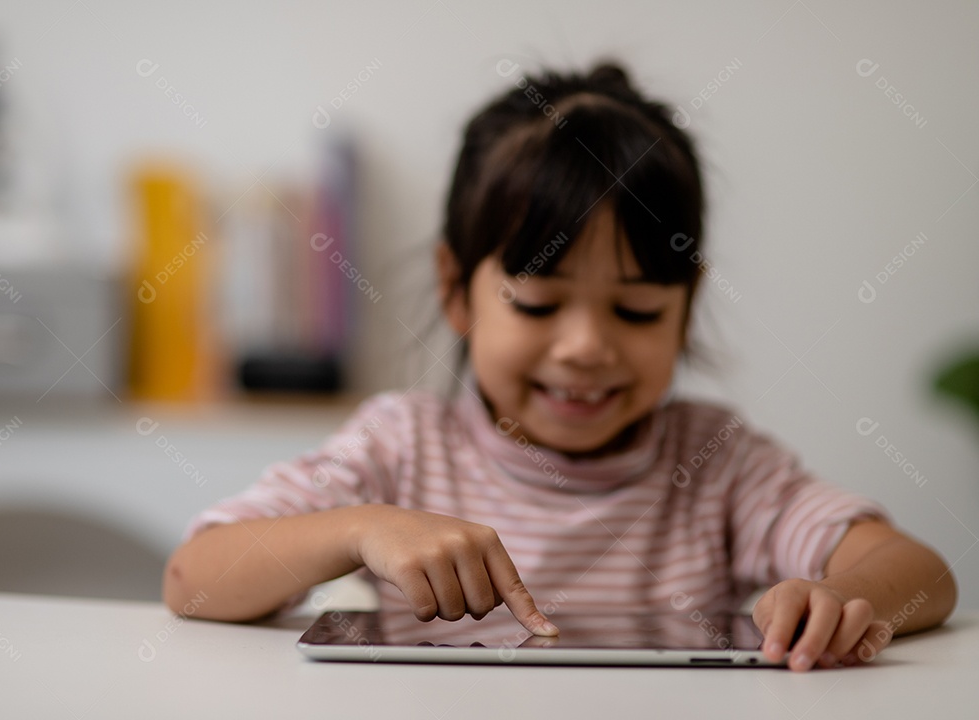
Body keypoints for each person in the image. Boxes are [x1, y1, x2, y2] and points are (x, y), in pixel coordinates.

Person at [163, 60, 957, 672]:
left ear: (686, 303)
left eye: (638, 310)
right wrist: (360, 528)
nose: (585, 347)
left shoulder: (720, 465)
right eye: (540, 305)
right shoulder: (401, 445)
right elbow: (193, 577)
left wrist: (843, 601)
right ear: (456, 290)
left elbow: (921, 573)